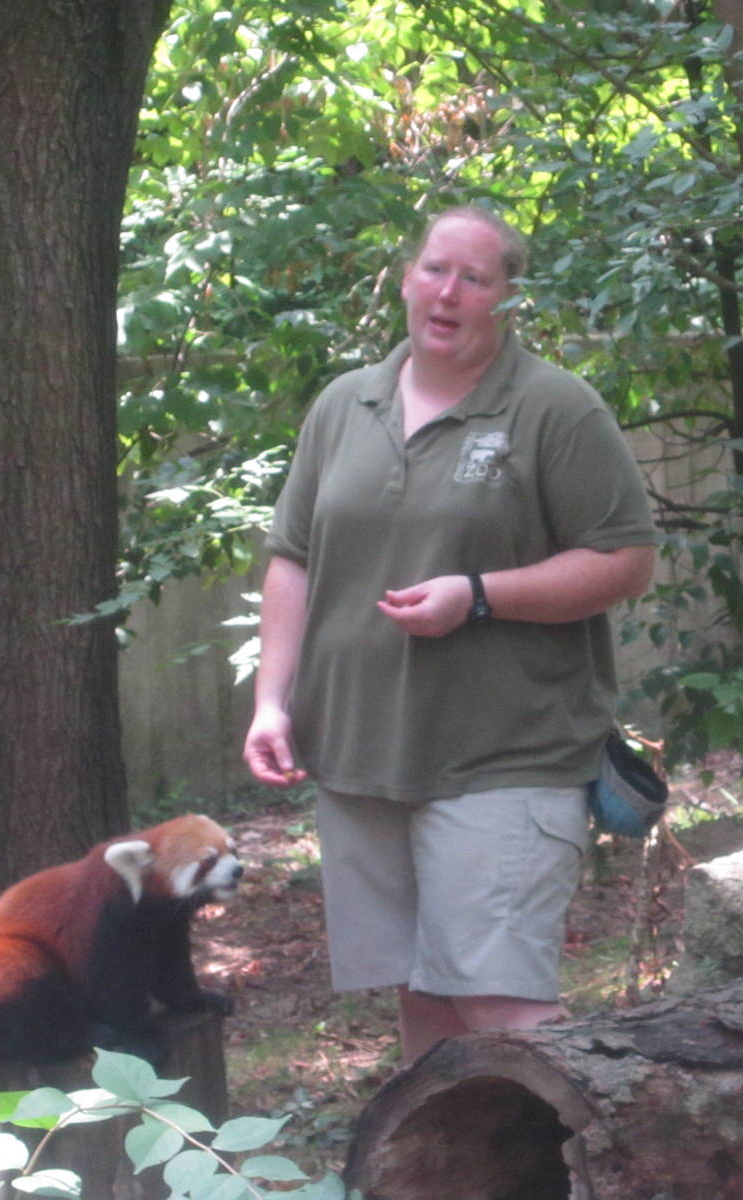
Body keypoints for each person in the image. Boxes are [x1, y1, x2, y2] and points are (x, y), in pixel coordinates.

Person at [242, 205, 657, 1060]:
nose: (449, 292)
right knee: (427, 1005)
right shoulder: (344, 405)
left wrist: (477, 596)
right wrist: (272, 702)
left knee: (500, 1005)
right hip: (360, 758)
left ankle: (599, 1136)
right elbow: (294, 559)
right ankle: (446, 1146)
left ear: (508, 300)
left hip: (505, 755)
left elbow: (625, 561)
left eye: (475, 278)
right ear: (406, 280)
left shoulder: (555, 408)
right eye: (435, 269)